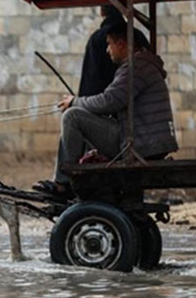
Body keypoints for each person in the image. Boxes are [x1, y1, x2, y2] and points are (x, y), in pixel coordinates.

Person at [33, 24, 178, 198]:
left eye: (109, 44)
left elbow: (109, 101)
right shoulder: (142, 65)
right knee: (78, 122)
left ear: (121, 44)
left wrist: (75, 101)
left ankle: (64, 184)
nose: (108, 50)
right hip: (147, 141)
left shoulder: (135, 67)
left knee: (72, 117)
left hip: (142, 145)